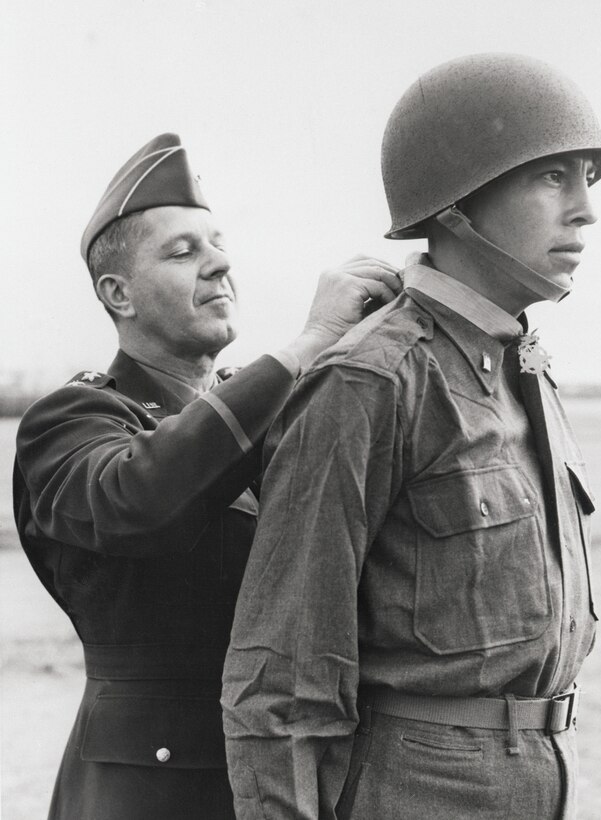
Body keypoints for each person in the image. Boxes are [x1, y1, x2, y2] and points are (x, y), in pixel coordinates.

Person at [222, 53, 601, 819]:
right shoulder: (371, 380)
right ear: (454, 207)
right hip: (415, 790)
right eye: (552, 177)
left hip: (540, 778)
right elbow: (278, 678)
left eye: (586, 177)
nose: (584, 209)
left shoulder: (521, 364)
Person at [12, 132, 400, 820]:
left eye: (217, 244)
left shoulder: (259, 417)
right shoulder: (72, 420)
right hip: (150, 790)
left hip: (283, 775)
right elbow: (141, 498)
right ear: (118, 294)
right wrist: (307, 345)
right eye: (183, 251)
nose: (219, 263)